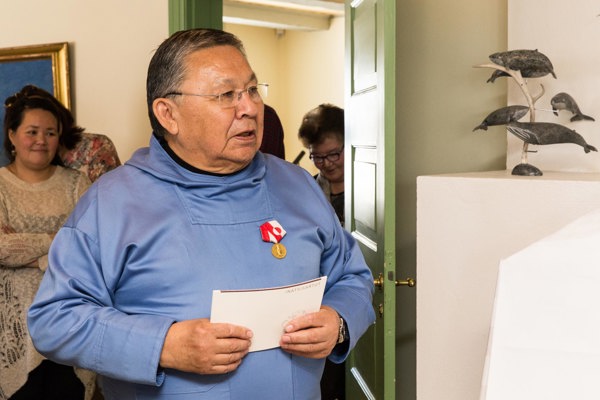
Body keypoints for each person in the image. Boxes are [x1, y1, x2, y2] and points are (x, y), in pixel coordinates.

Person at [27, 28, 375, 400]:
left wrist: (338, 320)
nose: (249, 108)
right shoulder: (112, 203)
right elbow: (54, 319)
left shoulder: (299, 185)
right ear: (168, 114)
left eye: (252, 90)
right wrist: (163, 345)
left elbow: (353, 277)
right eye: (226, 95)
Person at [0, 85, 93, 399]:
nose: (41, 140)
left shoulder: (78, 184)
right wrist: (59, 240)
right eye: (32, 131)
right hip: (12, 329)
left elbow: (90, 248)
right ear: (12, 135)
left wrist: (27, 249)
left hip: (71, 321)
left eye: (50, 133)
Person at [298, 103, 346, 399]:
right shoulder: (310, 191)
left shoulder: (370, 187)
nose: (326, 164)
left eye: (334, 154)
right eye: (317, 157)